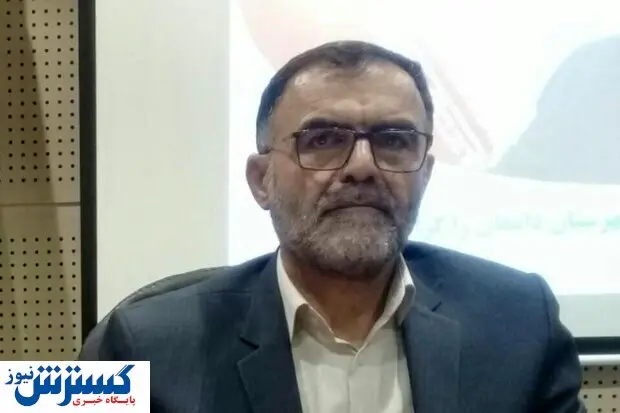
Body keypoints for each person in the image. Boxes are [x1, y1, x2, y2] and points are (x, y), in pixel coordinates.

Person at [90, 41, 585, 413]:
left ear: (426, 174)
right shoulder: (136, 341)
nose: (362, 166)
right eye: (323, 140)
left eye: (394, 140)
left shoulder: (520, 320)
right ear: (261, 181)